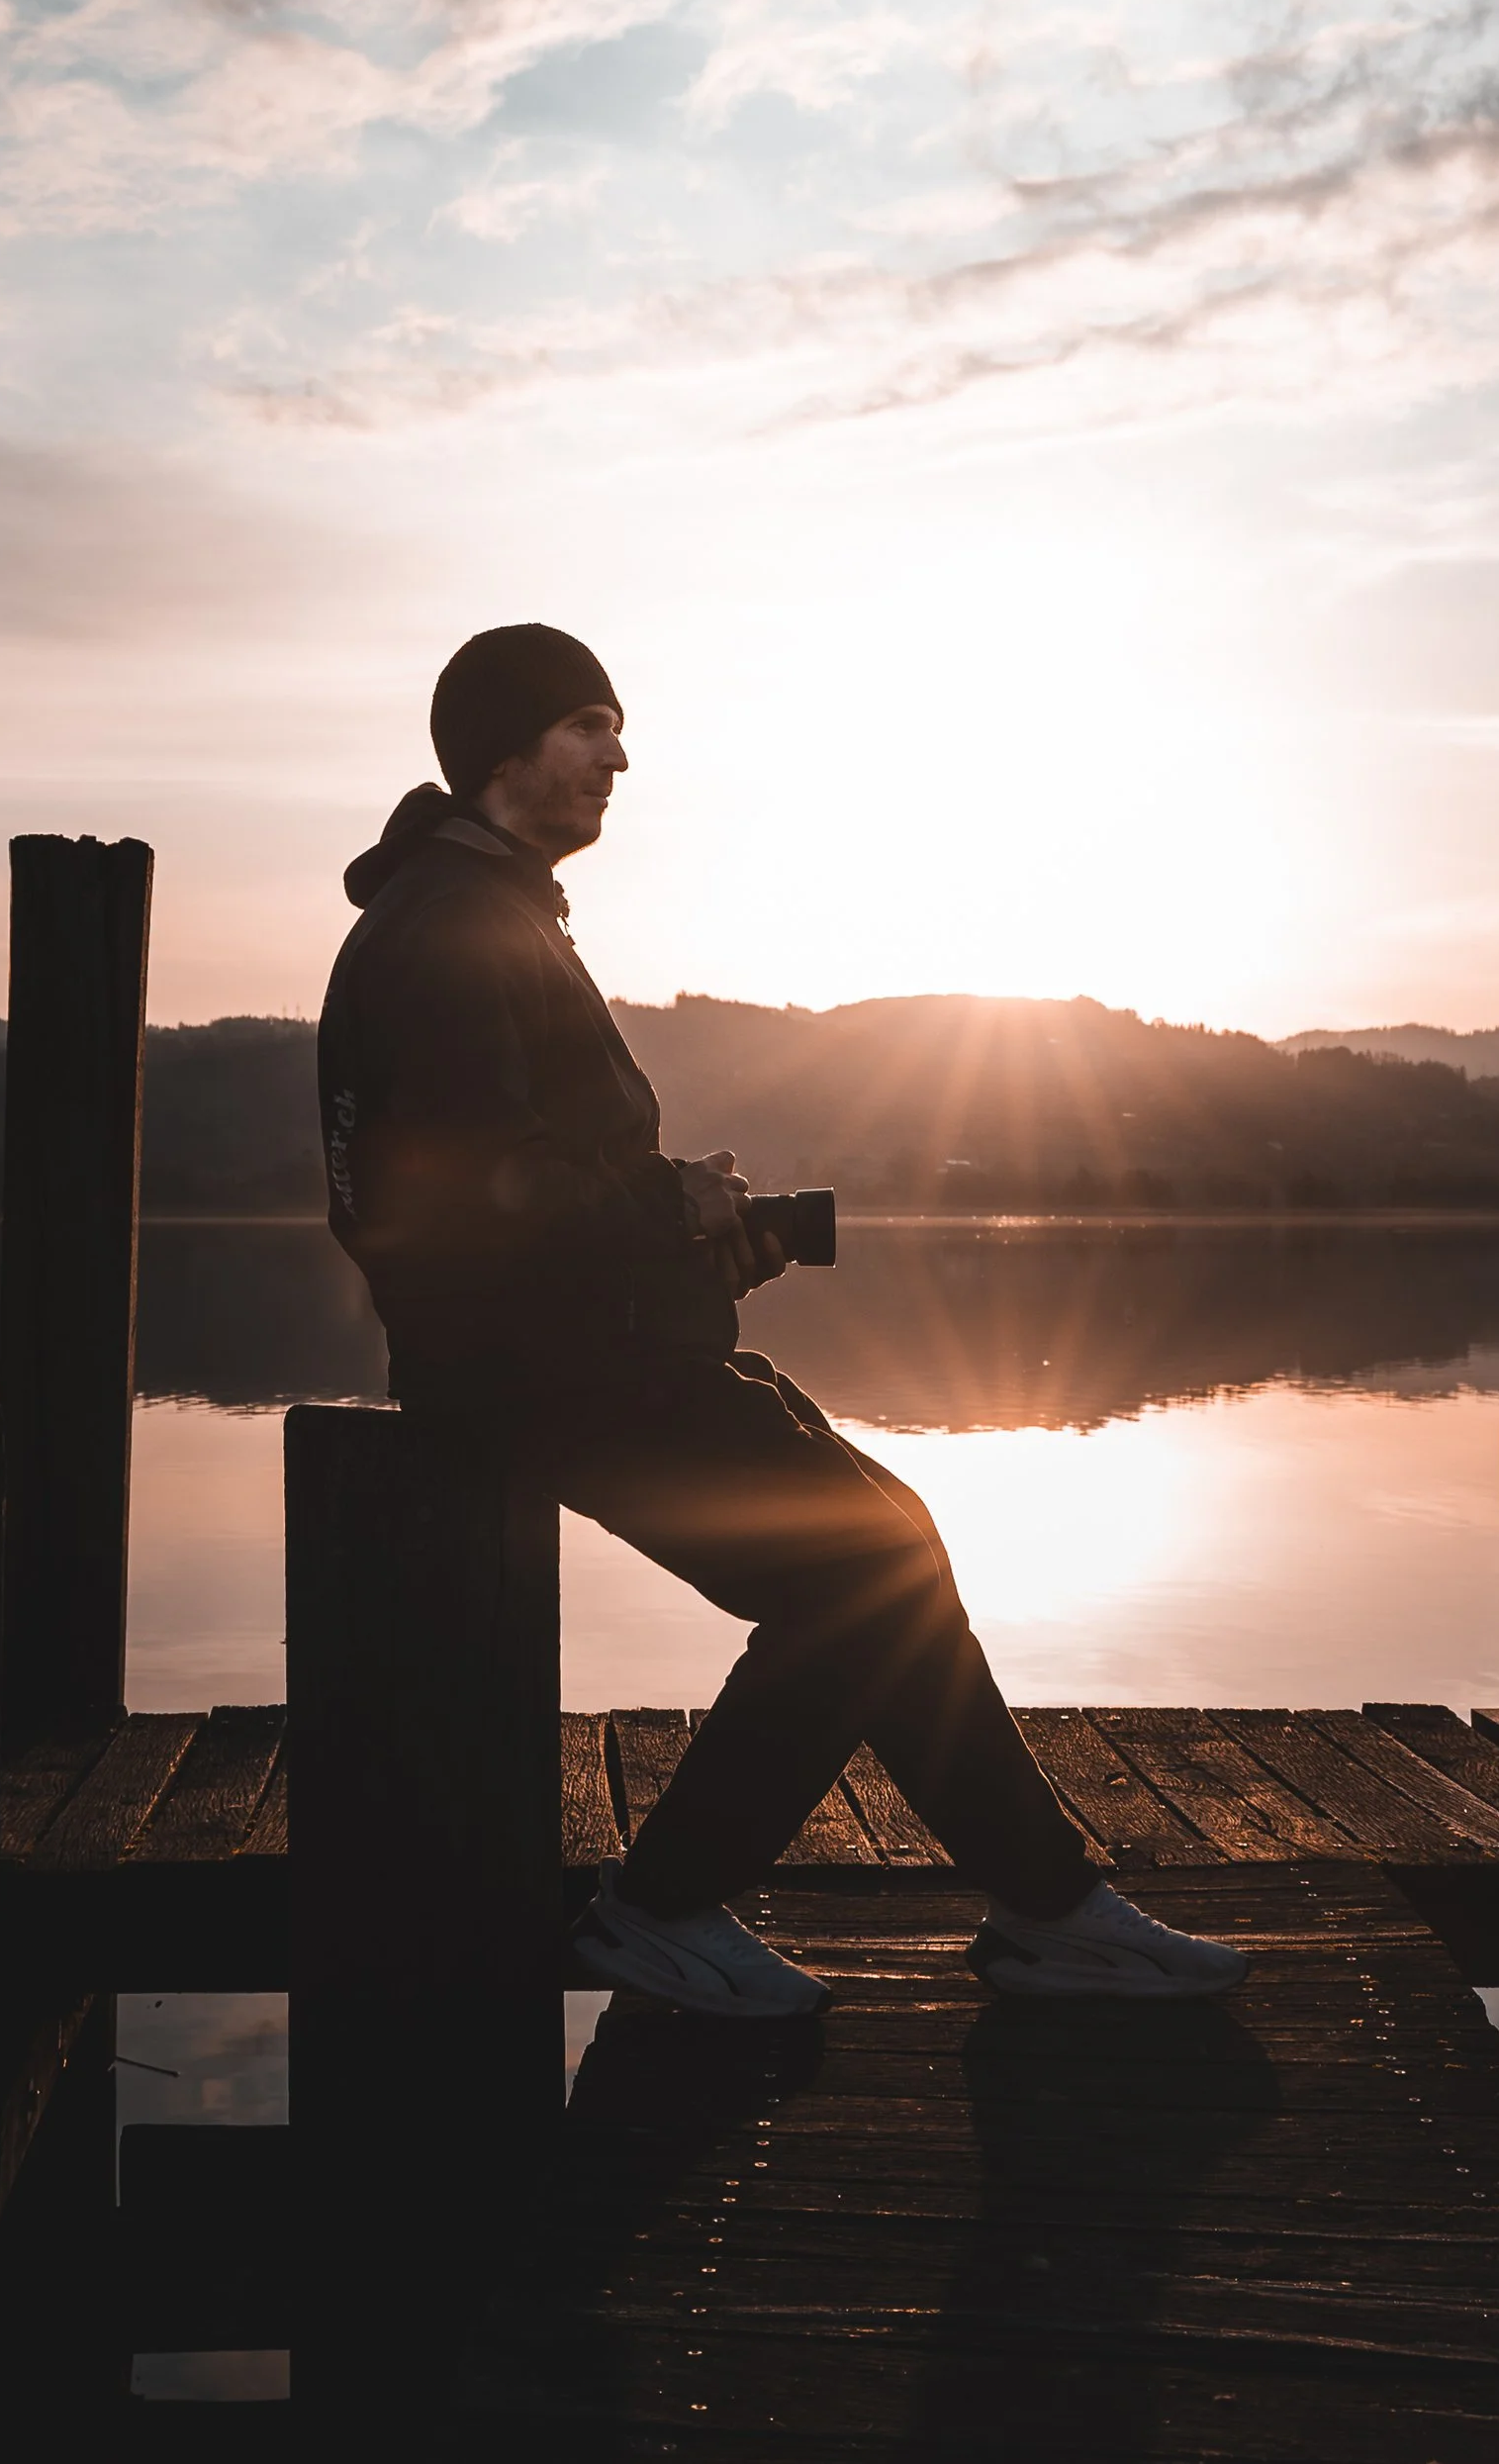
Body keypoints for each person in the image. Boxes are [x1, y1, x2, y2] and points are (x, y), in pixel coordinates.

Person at [318, 620, 1251, 2020]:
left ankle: (1050, 1907)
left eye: (616, 727)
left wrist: (703, 1240)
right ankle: (661, 1904)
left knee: (892, 1549)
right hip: (545, 1372)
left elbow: (516, 1182)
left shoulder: (478, 908)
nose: (618, 755)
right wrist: (674, 1198)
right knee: (862, 1570)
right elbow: (469, 1197)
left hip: (587, 1346)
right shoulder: (452, 928)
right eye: (588, 725)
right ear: (503, 750)